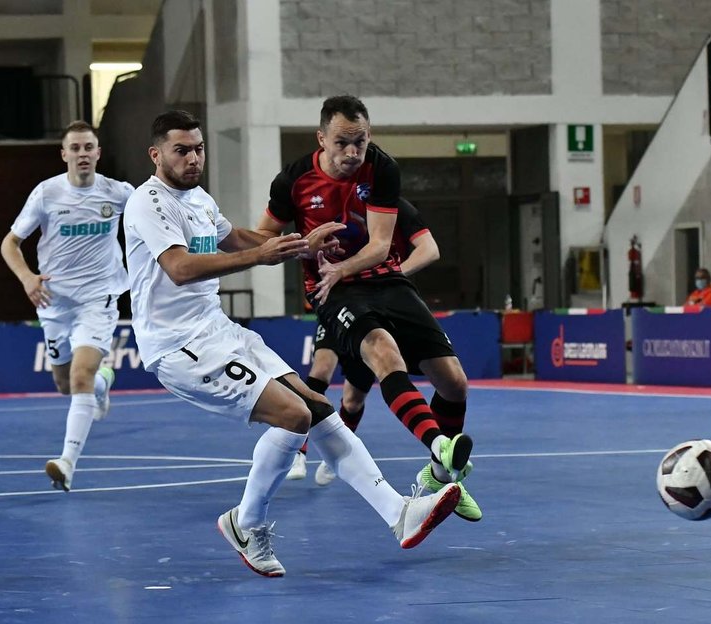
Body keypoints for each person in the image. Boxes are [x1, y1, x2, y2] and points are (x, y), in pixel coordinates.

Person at [123, 110, 460, 577]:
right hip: (178, 345)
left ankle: (399, 513)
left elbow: (237, 236)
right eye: (182, 150)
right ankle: (247, 522)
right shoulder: (148, 203)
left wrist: (299, 245)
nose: (194, 158)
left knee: (318, 408)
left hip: (218, 331)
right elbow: (179, 268)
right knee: (294, 416)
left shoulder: (198, 197)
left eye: (199, 148)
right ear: (156, 154)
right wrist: (258, 255)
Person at [255, 95, 480, 521]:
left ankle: (437, 476)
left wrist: (341, 267)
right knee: (378, 356)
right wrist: (305, 247)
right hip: (330, 292)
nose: (352, 153)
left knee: (454, 384)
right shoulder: (293, 180)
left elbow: (380, 247)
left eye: (360, 142)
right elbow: (262, 237)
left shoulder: (382, 169)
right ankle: (439, 449)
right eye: (342, 142)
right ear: (321, 138)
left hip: (383, 280)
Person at [0, 120, 129, 491]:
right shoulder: (46, 194)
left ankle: (67, 462)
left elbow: (153, 215)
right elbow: (10, 243)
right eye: (75, 148)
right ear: (64, 154)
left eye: (88, 147)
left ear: (98, 153)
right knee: (63, 384)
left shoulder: (119, 193)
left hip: (99, 297)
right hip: (54, 300)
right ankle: (104, 383)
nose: (82, 154)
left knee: (79, 377)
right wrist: (27, 277)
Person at [286, 198, 451, 487]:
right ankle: (299, 450)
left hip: (380, 305)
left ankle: (334, 455)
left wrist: (390, 275)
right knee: (321, 369)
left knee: (353, 399)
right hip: (339, 303)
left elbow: (430, 249)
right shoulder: (331, 203)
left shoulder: (395, 205)